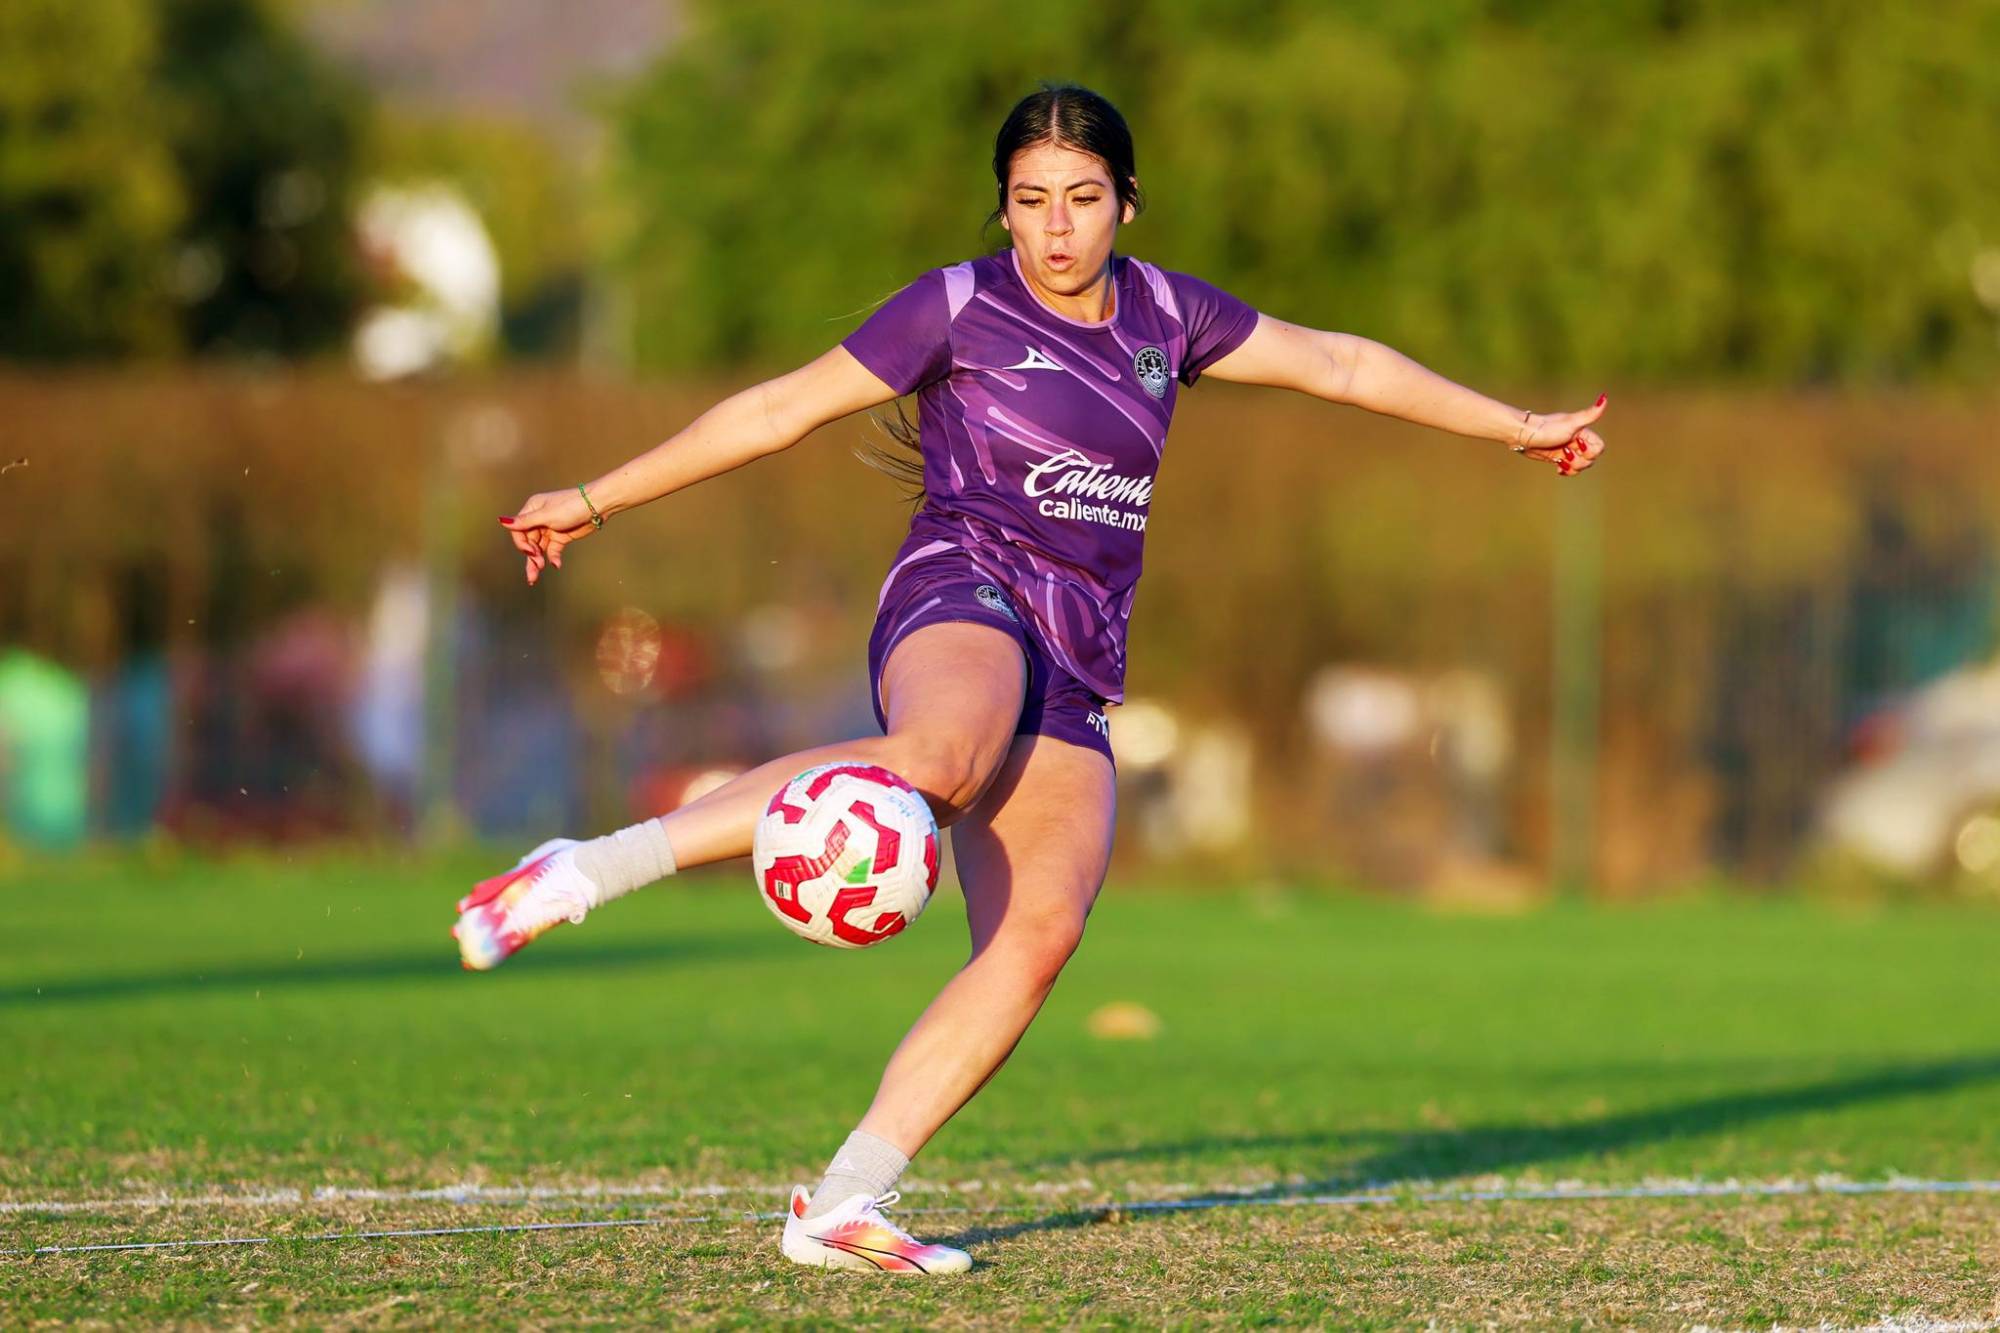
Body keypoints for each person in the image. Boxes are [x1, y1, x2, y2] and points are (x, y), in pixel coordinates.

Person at [453, 84, 1608, 1274]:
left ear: (1125, 203)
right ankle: (583, 870)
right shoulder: (954, 306)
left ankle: (841, 1204)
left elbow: (1344, 364)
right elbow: (774, 410)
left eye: (1082, 200)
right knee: (942, 759)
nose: (1055, 229)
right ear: (1002, 210)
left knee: (1039, 936)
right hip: (962, 585)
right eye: (1029, 202)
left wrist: (1514, 426)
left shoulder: (1168, 313)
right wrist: (594, 499)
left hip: (1079, 652)